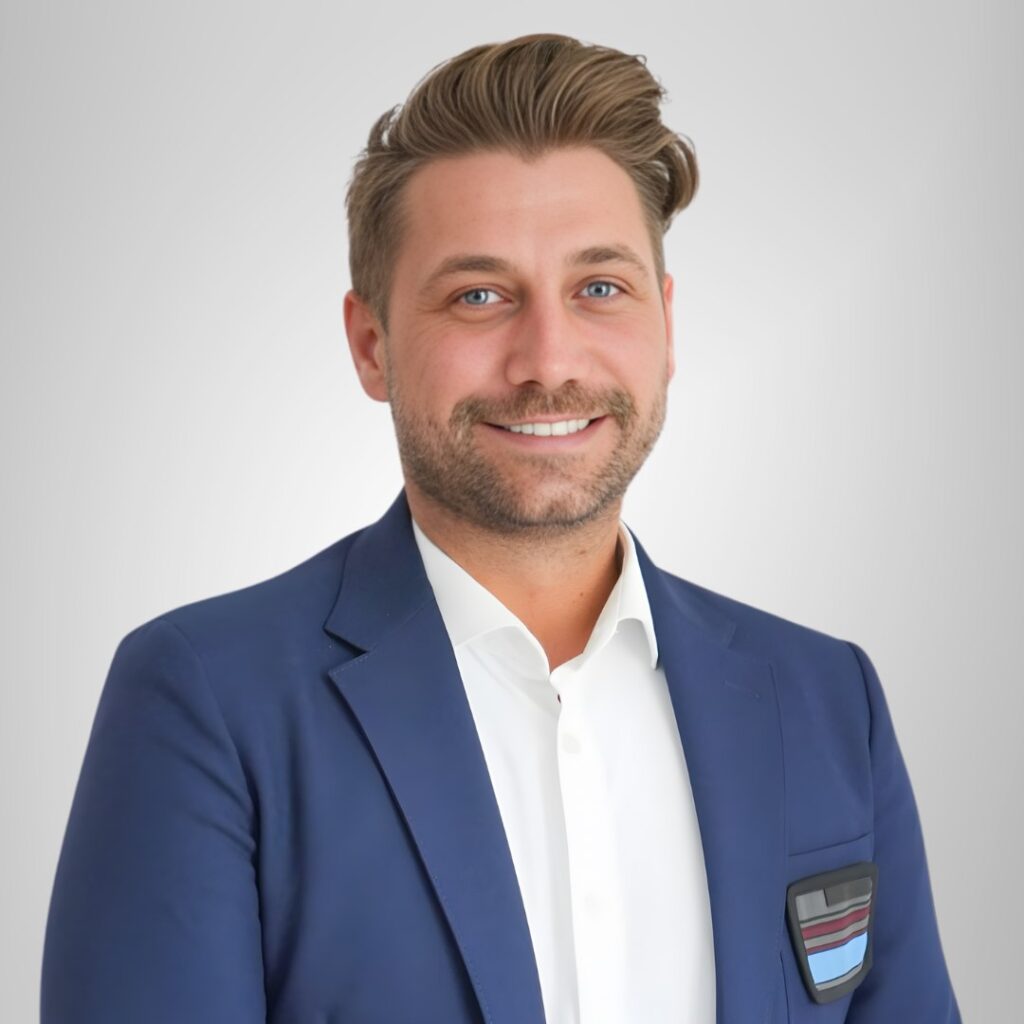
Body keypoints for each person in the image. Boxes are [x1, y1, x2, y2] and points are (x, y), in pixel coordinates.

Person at [41, 33, 961, 1024]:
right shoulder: (209, 701)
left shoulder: (827, 701)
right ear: (371, 344)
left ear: (666, 322)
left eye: (599, 288)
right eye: (478, 296)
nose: (548, 360)